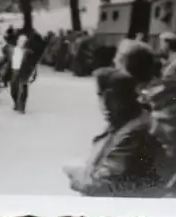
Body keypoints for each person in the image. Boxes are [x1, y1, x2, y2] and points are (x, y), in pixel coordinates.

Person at [63, 66, 161, 197]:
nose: (103, 104)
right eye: (100, 96)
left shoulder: (134, 131)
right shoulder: (124, 121)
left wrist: (76, 175)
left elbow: (104, 183)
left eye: (106, 97)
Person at [10, 33, 37, 114]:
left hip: (24, 72)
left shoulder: (29, 52)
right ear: (17, 41)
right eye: (21, 41)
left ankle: (22, 106)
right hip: (14, 71)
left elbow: (33, 65)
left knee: (23, 89)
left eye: (24, 41)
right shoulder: (12, 50)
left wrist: (33, 75)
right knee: (13, 90)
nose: (22, 42)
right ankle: (16, 102)